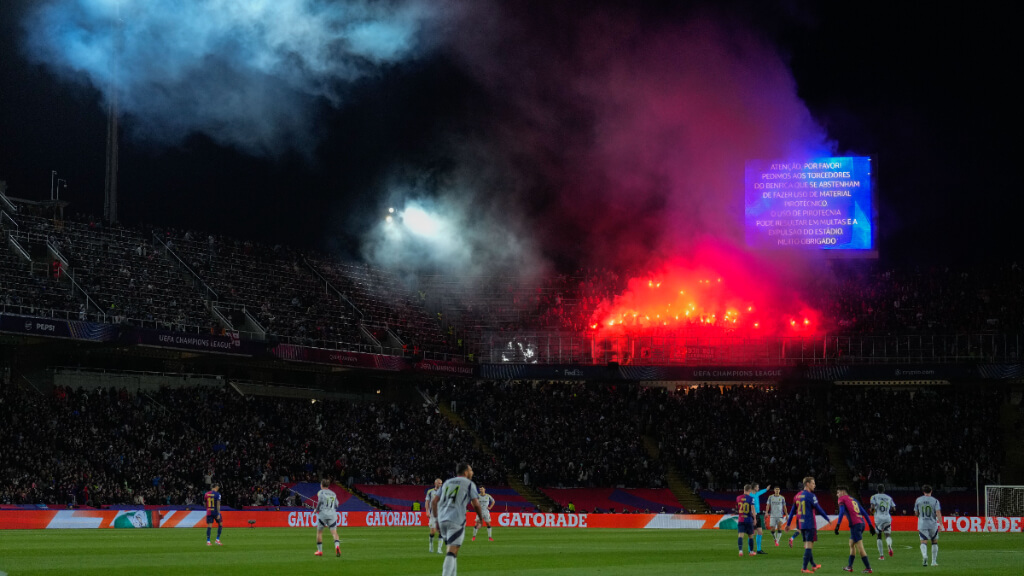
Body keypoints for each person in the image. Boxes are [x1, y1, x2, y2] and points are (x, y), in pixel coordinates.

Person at [431, 463, 484, 576]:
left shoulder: (447, 483)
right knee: (452, 551)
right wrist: (480, 518)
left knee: (452, 552)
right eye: (471, 470)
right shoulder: (469, 484)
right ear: (465, 472)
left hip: (442, 520)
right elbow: (476, 504)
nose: (472, 472)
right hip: (456, 520)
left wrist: (436, 520)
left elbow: (434, 501)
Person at [785, 476, 831, 574]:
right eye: (813, 483)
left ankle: (813, 565)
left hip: (801, 524)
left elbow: (793, 511)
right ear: (807, 484)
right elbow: (818, 508)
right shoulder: (811, 496)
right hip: (810, 524)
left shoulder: (797, 496)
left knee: (807, 545)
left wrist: (788, 524)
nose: (814, 485)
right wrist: (827, 518)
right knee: (809, 546)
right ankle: (804, 568)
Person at [835, 486, 876, 573]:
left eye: (838, 492)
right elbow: (864, 512)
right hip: (861, 523)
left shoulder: (842, 499)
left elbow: (841, 512)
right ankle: (849, 566)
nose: (837, 495)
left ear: (842, 492)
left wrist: (838, 525)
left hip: (855, 525)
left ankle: (868, 568)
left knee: (860, 547)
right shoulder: (854, 500)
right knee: (851, 543)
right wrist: (870, 525)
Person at [915, 484, 943, 567]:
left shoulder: (918, 500)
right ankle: (933, 562)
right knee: (934, 541)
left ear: (923, 492)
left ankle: (924, 556)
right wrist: (941, 524)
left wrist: (919, 516)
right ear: (931, 491)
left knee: (923, 541)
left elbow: (916, 513)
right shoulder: (935, 500)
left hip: (922, 524)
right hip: (932, 524)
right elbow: (938, 513)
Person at [313, 479, 341, 557]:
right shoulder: (333, 493)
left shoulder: (321, 493)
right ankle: (337, 546)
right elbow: (337, 504)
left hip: (323, 514)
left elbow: (319, 502)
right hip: (332, 514)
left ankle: (320, 551)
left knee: (319, 532)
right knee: (334, 533)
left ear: (321, 485)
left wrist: (316, 510)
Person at [868, 485, 896, 560]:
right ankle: (889, 546)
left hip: (878, 518)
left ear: (877, 490)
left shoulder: (874, 497)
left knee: (879, 536)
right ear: (884, 490)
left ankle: (881, 556)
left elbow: (873, 507)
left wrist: (871, 511)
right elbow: (894, 508)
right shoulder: (889, 497)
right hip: (887, 517)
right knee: (887, 535)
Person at [735, 484, 756, 556]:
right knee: (750, 536)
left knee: (740, 535)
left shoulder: (738, 498)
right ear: (749, 490)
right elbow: (753, 509)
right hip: (749, 520)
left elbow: (736, 507)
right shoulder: (751, 498)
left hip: (741, 519)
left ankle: (740, 551)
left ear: (744, 489)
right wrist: (755, 519)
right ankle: (751, 552)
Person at [750, 482, 770, 554]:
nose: (758, 488)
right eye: (757, 487)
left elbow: (762, 491)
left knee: (760, 532)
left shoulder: (757, 494)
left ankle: (759, 549)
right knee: (752, 533)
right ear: (754, 487)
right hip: (752, 515)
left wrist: (766, 489)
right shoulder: (749, 495)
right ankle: (750, 550)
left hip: (758, 515)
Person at [426, 478, 444, 554]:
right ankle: (431, 545)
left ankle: (439, 549)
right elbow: (427, 502)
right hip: (433, 514)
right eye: (439, 483)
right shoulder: (430, 492)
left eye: (441, 483)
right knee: (433, 531)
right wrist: (427, 511)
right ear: (435, 483)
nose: (441, 484)